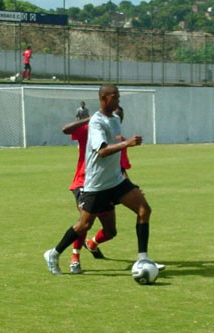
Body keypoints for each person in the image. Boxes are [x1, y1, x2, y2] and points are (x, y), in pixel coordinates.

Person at [44, 84, 163, 275]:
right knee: (84, 224)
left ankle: (143, 259)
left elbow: (117, 154)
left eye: (118, 96)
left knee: (144, 210)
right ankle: (54, 253)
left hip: (115, 181)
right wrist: (128, 143)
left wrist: (130, 183)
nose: (117, 100)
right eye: (114, 96)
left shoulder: (115, 119)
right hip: (97, 184)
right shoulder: (96, 122)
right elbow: (102, 151)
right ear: (103, 98)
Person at [62, 106, 132, 274]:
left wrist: (131, 188)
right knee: (85, 222)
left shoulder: (120, 140)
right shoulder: (90, 128)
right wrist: (90, 118)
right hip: (83, 183)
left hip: (106, 186)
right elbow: (66, 129)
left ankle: (92, 243)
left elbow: (121, 168)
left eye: (118, 118)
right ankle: (74, 259)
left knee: (111, 231)